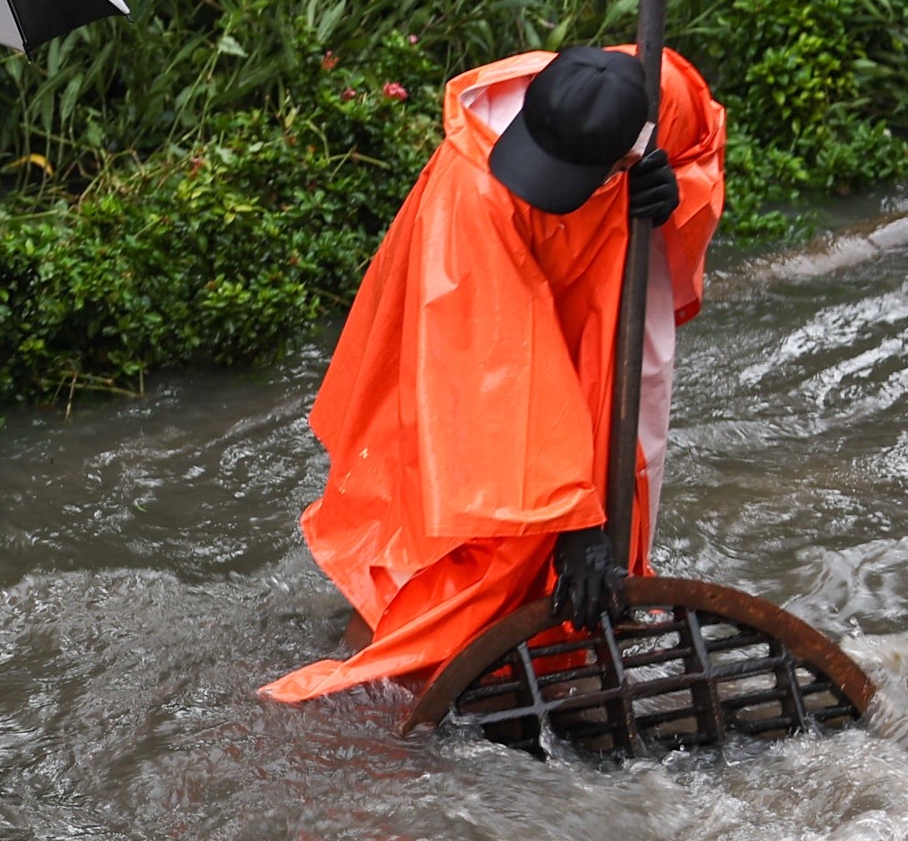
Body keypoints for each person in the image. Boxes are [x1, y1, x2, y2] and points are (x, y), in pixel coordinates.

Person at [265, 42, 726, 701]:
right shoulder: (473, 188)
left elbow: (701, 149)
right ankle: (399, 668)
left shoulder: (663, 93)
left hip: (589, 327)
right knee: (479, 523)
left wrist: (674, 195)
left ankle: (562, 660)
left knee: (603, 490)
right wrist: (572, 520)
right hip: (469, 337)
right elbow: (499, 372)